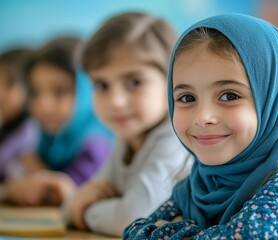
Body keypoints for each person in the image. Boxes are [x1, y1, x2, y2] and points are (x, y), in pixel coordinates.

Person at [123, 13, 278, 239]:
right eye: (187, 98)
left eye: (228, 96)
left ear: (272, 100)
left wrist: (165, 232)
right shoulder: (198, 185)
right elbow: (134, 231)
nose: (202, 117)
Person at [63, 12, 191, 237]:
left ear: (173, 80)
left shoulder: (174, 139)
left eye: (134, 82)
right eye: (102, 85)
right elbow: (71, 204)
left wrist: (83, 212)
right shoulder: (126, 140)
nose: (115, 101)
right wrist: (76, 205)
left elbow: (132, 218)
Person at [1, 37, 113, 206]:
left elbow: (63, 195)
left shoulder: (96, 145)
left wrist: (17, 187)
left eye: (60, 91)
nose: (44, 105)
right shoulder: (43, 141)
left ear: (87, 90)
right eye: (35, 92)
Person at [0, 48, 38, 182]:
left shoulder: (29, 133)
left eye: (10, 83)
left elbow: (36, 177)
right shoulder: (8, 128)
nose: (1, 92)